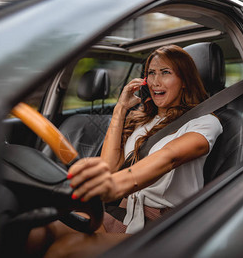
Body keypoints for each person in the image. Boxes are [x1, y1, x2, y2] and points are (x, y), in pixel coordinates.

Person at [26, 44, 223, 257]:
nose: (156, 81)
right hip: (122, 212)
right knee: (37, 232)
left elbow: (170, 156)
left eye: (165, 73)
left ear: (184, 80)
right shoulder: (143, 119)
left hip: (163, 223)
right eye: (151, 73)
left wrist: (114, 185)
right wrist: (120, 108)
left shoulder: (205, 122)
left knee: (64, 251)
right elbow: (109, 167)